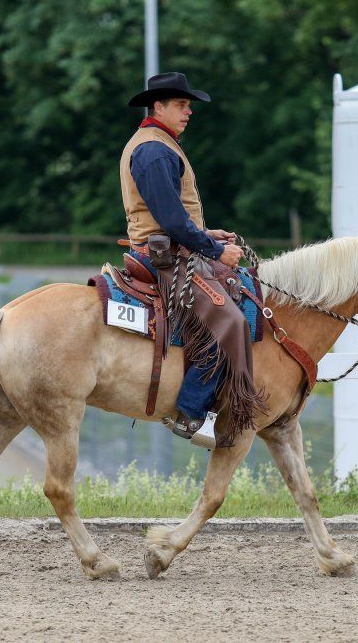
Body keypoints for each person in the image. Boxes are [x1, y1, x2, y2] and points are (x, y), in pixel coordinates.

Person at [119, 72, 255, 448]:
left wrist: (205, 234)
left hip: (171, 248)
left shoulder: (158, 144)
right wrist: (215, 250)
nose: (188, 112)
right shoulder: (154, 150)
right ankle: (192, 413)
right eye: (181, 105)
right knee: (230, 321)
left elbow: (172, 217)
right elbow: (171, 219)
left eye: (189, 106)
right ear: (158, 106)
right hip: (165, 259)